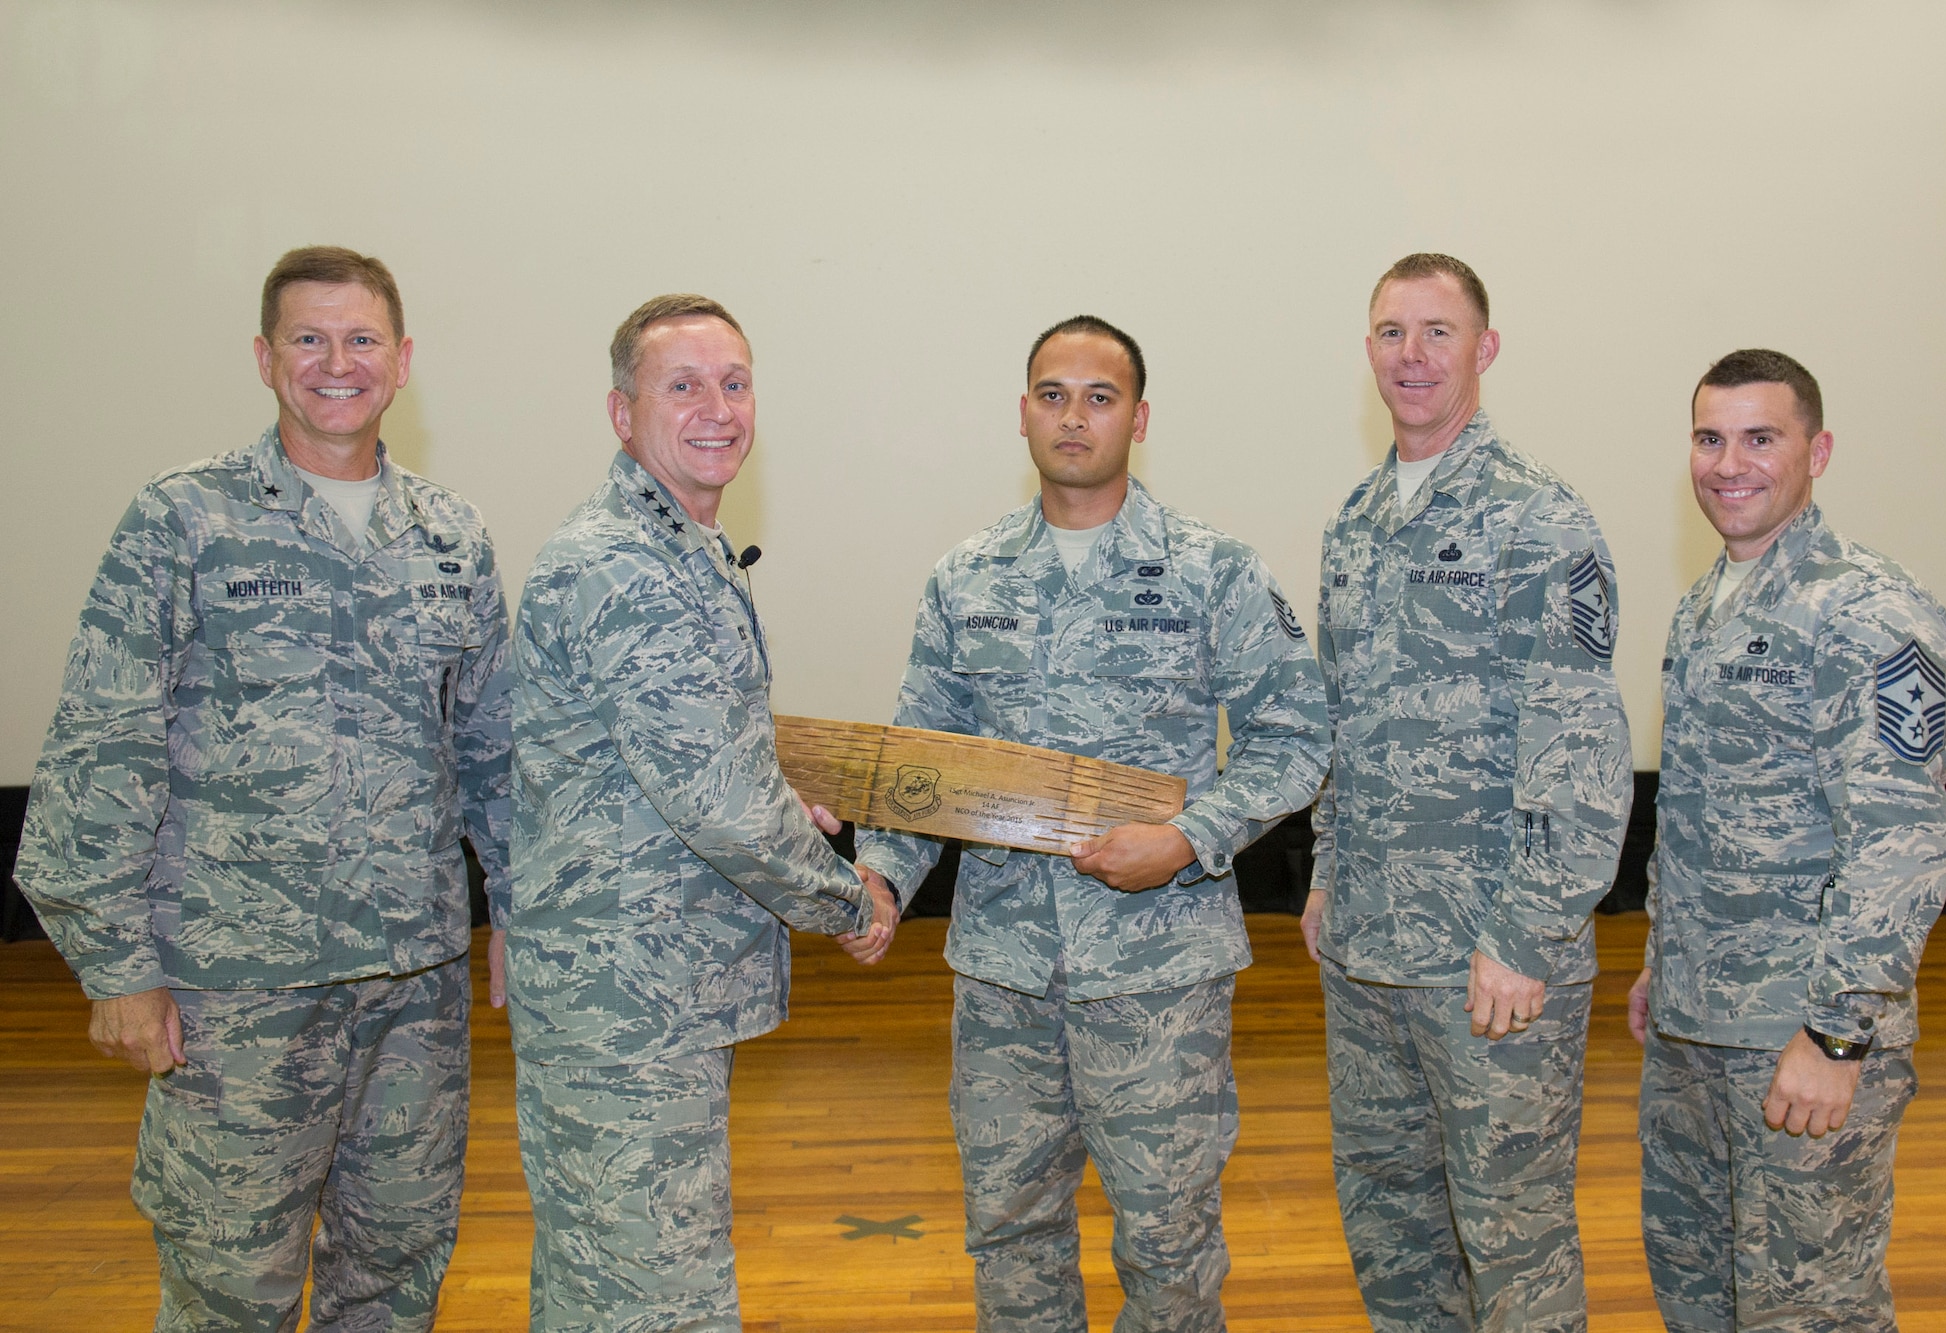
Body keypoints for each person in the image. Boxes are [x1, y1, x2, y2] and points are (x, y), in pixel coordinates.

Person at [14, 245, 512, 1330]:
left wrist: (513, 911)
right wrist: (117, 966)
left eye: (361, 338)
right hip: (234, 994)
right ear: (264, 356)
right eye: (308, 337)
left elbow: (492, 750)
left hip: (410, 993)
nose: (337, 362)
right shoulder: (184, 520)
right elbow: (102, 742)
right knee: (227, 1287)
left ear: (402, 358)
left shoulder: (451, 536)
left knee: (394, 1269)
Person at [856, 315, 1331, 1333]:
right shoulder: (965, 578)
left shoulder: (1213, 571)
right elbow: (921, 759)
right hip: (1002, 977)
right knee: (1010, 1232)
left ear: (1139, 418)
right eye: (1052, 394)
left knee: (1167, 1241)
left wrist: (1187, 840)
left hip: (1157, 978)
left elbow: (1294, 735)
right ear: (1022, 413)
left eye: (1099, 396)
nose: (1074, 417)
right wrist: (881, 875)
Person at [503, 293, 898, 1332]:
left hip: (637, 993)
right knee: (653, 1302)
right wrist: (847, 901)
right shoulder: (626, 566)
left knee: (601, 1285)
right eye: (681, 385)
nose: (716, 408)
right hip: (629, 1006)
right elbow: (718, 805)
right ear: (620, 411)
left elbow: (694, 770)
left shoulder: (680, 550)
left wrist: (778, 805)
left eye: (734, 382)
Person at [1304, 253, 1633, 1331]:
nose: (1412, 355)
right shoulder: (1352, 522)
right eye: (1391, 332)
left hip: (1488, 961)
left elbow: (1579, 743)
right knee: (1391, 1229)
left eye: (1436, 331)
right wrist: (1320, 875)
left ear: (1482, 350)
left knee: (1512, 1242)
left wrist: (1528, 934)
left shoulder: (1539, 519)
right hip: (1366, 953)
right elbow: (1340, 718)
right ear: (1367, 353)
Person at [1628, 349, 1946, 1332]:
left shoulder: (1868, 610)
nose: (1728, 463)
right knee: (1699, 1292)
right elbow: (1697, 807)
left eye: (1758, 437)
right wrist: (1659, 954)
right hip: (1696, 1029)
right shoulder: (1703, 606)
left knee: (1807, 1310)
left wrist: (1837, 1031)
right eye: (1708, 437)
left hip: (1796, 1038)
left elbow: (1899, 837)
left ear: (1815, 451)